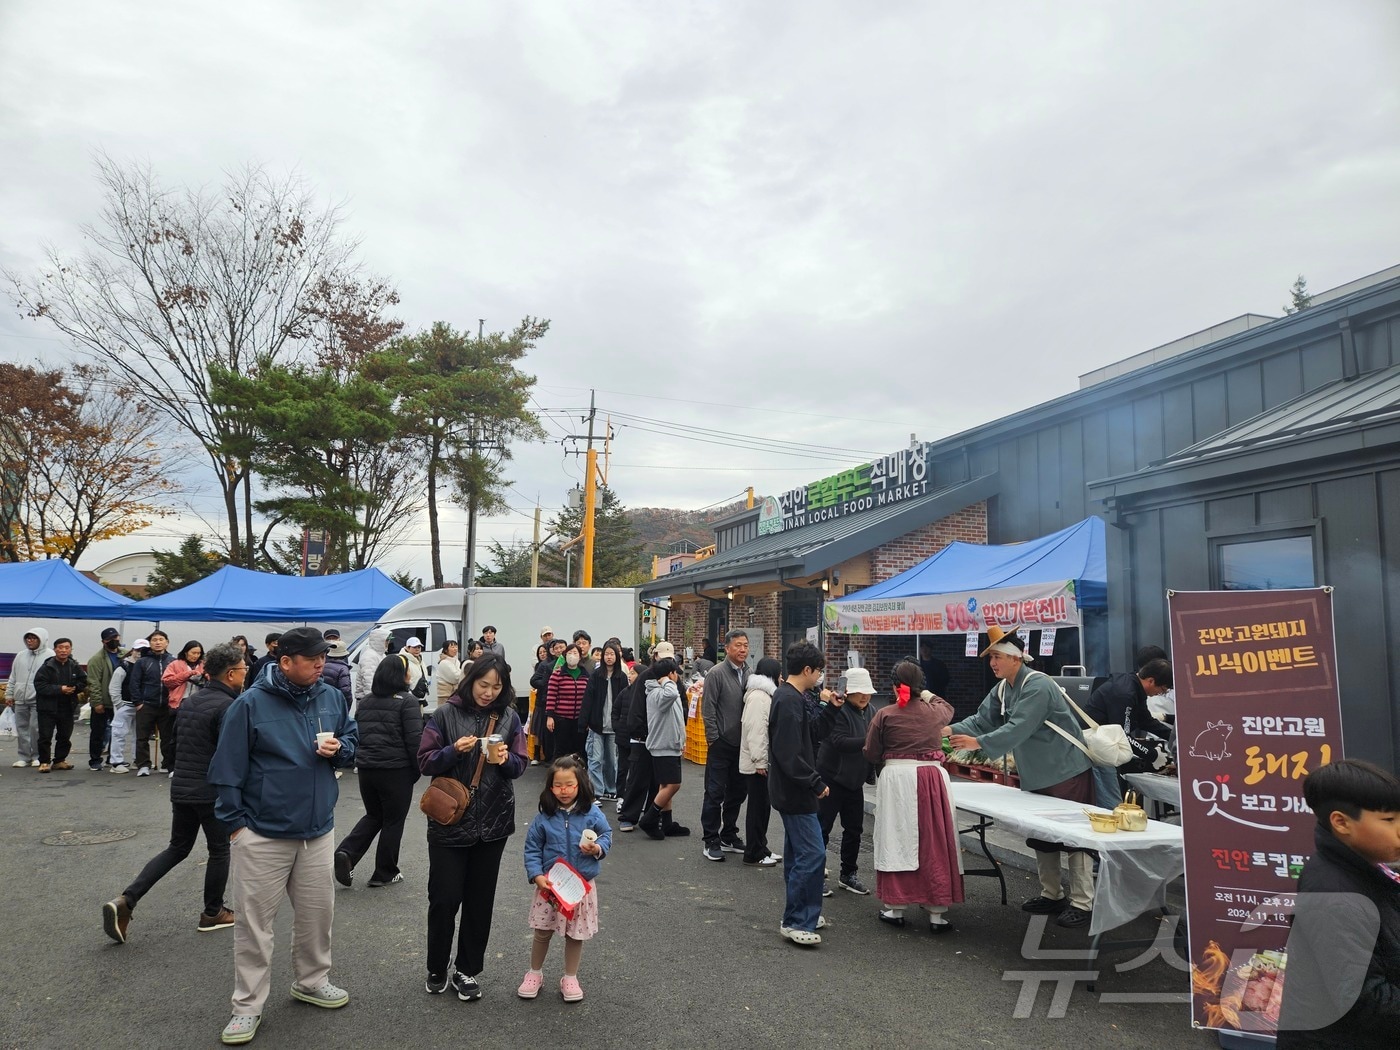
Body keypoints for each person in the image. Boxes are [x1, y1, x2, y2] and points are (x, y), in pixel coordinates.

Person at [207, 627, 358, 1046]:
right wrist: (237, 826)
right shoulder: (250, 704)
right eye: (311, 658)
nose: (320, 664)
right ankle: (247, 1006)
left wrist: (341, 750)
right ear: (284, 661)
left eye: (322, 657)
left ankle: (311, 982)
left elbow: (351, 738)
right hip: (262, 834)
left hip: (317, 830)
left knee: (317, 916)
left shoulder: (330, 695)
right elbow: (226, 771)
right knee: (255, 926)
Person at [946, 626, 1096, 928]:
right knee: (1042, 835)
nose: (993, 663)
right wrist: (948, 730)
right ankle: (1052, 894)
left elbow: (1019, 727)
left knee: (1076, 837)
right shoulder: (1003, 688)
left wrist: (979, 743)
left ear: (1016, 658)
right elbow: (981, 719)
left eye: (998, 657)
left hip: (1066, 770)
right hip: (1038, 774)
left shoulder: (1037, 685)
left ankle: (1083, 901)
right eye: (991, 659)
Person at [103, 643, 246, 945]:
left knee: (177, 848)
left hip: (182, 785)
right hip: (210, 790)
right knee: (219, 849)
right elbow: (231, 755)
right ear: (231, 673)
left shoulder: (192, 700)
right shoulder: (230, 706)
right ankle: (213, 912)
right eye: (244, 668)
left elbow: (173, 744)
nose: (246, 673)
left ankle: (127, 899)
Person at [418, 653, 528, 1001]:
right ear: (470, 681)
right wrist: (452, 751)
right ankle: (437, 966)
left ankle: (466, 970)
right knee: (444, 898)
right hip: (450, 819)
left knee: (480, 902)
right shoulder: (444, 715)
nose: (489, 692)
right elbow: (424, 761)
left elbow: (521, 763)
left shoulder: (509, 717)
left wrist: (506, 759)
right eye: (484, 685)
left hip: (493, 822)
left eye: (497, 687)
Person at [1276, 759, 1400, 1049]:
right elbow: (1365, 999)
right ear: (1341, 822)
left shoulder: (1363, 866)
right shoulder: (1336, 897)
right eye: (1389, 821)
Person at [864, 660, 963, 930]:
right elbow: (948, 707)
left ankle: (896, 909)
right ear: (923, 685)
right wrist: (926, 693)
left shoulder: (885, 714)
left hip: (897, 779)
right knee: (933, 842)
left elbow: (872, 752)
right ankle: (936, 913)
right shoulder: (936, 713)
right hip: (931, 778)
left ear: (895, 686)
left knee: (896, 838)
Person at [518, 755, 612, 1003]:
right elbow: (532, 849)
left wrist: (597, 849)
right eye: (558, 785)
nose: (564, 790)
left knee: (575, 934)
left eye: (569, 784)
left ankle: (570, 976)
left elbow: (606, 835)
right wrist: (536, 875)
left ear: (579, 784)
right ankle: (534, 973)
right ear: (550, 787)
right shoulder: (544, 817)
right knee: (542, 931)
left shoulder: (591, 813)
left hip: (580, 886)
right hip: (550, 886)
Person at [335, 655, 423, 890]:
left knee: (374, 815)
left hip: (366, 768)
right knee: (394, 820)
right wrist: (418, 769)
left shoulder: (366, 701)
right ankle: (385, 871)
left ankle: (347, 851)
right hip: (396, 769)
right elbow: (415, 741)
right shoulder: (408, 701)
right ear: (401, 675)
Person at [767, 640, 830, 947]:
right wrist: (814, 781)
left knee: (797, 853)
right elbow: (789, 752)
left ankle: (803, 912)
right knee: (812, 853)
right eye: (818, 671)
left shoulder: (791, 697)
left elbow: (810, 737)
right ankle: (796, 919)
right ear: (807, 670)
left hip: (789, 788)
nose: (819, 677)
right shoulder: (789, 700)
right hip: (795, 789)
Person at [817, 666, 877, 896]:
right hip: (831, 778)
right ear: (848, 692)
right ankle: (815, 874)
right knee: (822, 828)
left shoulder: (872, 710)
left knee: (854, 829)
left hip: (855, 780)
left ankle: (848, 874)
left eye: (867, 692)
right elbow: (839, 741)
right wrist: (871, 741)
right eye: (860, 692)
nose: (865, 696)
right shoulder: (838, 710)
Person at [1083, 657, 1174, 808]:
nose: (1160, 694)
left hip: (1105, 746)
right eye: (1162, 689)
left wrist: (1177, 738)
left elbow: (1146, 721)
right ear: (1151, 681)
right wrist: (1152, 755)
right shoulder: (1124, 693)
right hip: (1095, 749)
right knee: (1111, 803)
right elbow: (1121, 737)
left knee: (1110, 799)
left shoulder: (1135, 688)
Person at [700, 629, 751, 862]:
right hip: (721, 743)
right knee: (714, 792)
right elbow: (708, 708)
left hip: (742, 745)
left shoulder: (750, 673)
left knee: (738, 792)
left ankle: (729, 834)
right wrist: (713, 738)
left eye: (745, 645)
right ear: (727, 648)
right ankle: (710, 839)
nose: (742, 649)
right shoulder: (716, 673)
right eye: (738, 645)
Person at [638, 656, 690, 839]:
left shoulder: (663, 690)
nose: (677, 678)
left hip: (669, 743)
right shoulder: (660, 692)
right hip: (663, 745)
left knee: (665, 784)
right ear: (670, 674)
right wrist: (667, 680)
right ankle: (649, 818)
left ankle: (667, 823)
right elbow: (671, 694)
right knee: (673, 785)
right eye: (675, 673)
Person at [738, 656, 783, 867]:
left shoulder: (763, 695)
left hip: (761, 762)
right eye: (779, 674)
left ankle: (761, 847)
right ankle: (753, 851)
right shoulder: (759, 697)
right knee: (757, 808)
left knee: (763, 807)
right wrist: (760, 762)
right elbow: (755, 732)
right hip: (757, 763)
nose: (782, 678)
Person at [579, 640, 626, 799]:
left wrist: (623, 724)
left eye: (612, 654)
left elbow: (626, 702)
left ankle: (611, 789)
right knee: (595, 759)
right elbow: (587, 700)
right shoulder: (596, 676)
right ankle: (597, 792)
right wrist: (583, 722)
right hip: (596, 725)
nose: (609, 657)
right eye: (606, 654)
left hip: (614, 727)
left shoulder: (622, 677)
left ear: (617, 656)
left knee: (612, 761)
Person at [33, 637, 87, 772]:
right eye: (60, 647)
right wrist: (60, 689)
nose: (63, 650)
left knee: (64, 736)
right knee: (45, 736)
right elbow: (40, 686)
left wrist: (75, 688)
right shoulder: (47, 667)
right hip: (47, 707)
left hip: (67, 707)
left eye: (67, 647)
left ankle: (60, 760)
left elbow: (83, 681)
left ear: (71, 650)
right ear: (55, 649)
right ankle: (44, 761)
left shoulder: (74, 666)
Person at [131, 631, 176, 777]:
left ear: (167, 642)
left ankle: (169, 765)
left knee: (168, 737)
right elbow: (134, 683)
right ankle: (143, 765)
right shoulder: (142, 662)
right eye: (154, 640)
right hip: (147, 704)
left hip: (167, 705)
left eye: (161, 639)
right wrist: (138, 702)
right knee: (142, 736)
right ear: (150, 643)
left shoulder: (173, 661)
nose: (158, 642)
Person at [6, 626, 51, 768]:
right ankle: (23, 756)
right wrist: (9, 693)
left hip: (39, 699)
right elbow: (13, 676)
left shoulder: (50, 655)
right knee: (21, 728)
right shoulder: (20, 655)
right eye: (28, 638)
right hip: (20, 698)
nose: (30, 641)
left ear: (41, 640)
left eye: (33, 638)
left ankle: (37, 755)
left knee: (35, 728)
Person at [84, 627, 124, 771]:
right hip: (103, 701)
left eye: (116, 637)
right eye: (109, 639)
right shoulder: (96, 659)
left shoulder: (125, 655)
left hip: (119, 701)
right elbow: (93, 682)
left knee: (118, 732)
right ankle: (95, 760)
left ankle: (113, 758)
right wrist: (97, 702)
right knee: (98, 732)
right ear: (103, 641)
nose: (114, 640)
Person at [107, 640, 149, 774]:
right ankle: (116, 761)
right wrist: (119, 705)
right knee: (119, 733)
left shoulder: (148, 665)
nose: (140, 653)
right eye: (137, 650)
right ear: (132, 650)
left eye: (144, 651)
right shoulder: (123, 666)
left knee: (140, 735)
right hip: (125, 704)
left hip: (142, 705)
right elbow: (114, 688)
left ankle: (138, 759)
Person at [546, 645, 588, 761]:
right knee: (560, 750)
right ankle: (557, 774)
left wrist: (587, 718)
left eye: (575, 653)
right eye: (570, 653)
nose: (572, 656)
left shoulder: (585, 675)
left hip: (579, 720)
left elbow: (588, 698)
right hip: (561, 719)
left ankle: (579, 775)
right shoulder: (557, 674)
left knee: (580, 750)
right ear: (565, 656)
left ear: (580, 657)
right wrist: (550, 716)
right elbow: (551, 695)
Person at [530, 638, 567, 765]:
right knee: (548, 732)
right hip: (547, 701)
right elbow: (536, 681)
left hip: (566, 704)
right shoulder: (546, 665)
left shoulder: (571, 664)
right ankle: (550, 757)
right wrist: (546, 686)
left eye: (561, 647)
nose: (558, 650)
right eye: (555, 648)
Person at [355, 627, 390, 704]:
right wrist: (373, 702)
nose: (388, 643)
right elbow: (368, 682)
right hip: (368, 700)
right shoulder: (369, 656)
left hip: (378, 698)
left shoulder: (381, 655)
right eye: (386, 640)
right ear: (379, 641)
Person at [320, 631, 354, 711]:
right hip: (337, 703)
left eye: (334, 638)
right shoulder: (343, 668)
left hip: (325, 702)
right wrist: (347, 706)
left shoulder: (323, 664)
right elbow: (346, 690)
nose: (332, 640)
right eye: (329, 638)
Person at [401, 637, 429, 706]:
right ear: (407, 648)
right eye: (414, 647)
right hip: (409, 699)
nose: (417, 649)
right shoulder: (403, 660)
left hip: (421, 698)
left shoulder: (420, 660)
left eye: (419, 647)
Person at [435, 641, 464, 706]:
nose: (455, 649)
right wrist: (461, 672)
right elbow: (455, 678)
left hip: (454, 694)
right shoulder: (444, 662)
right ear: (445, 650)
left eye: (456, 647)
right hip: (445, 695)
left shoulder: (456, 661)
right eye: (452, 647)